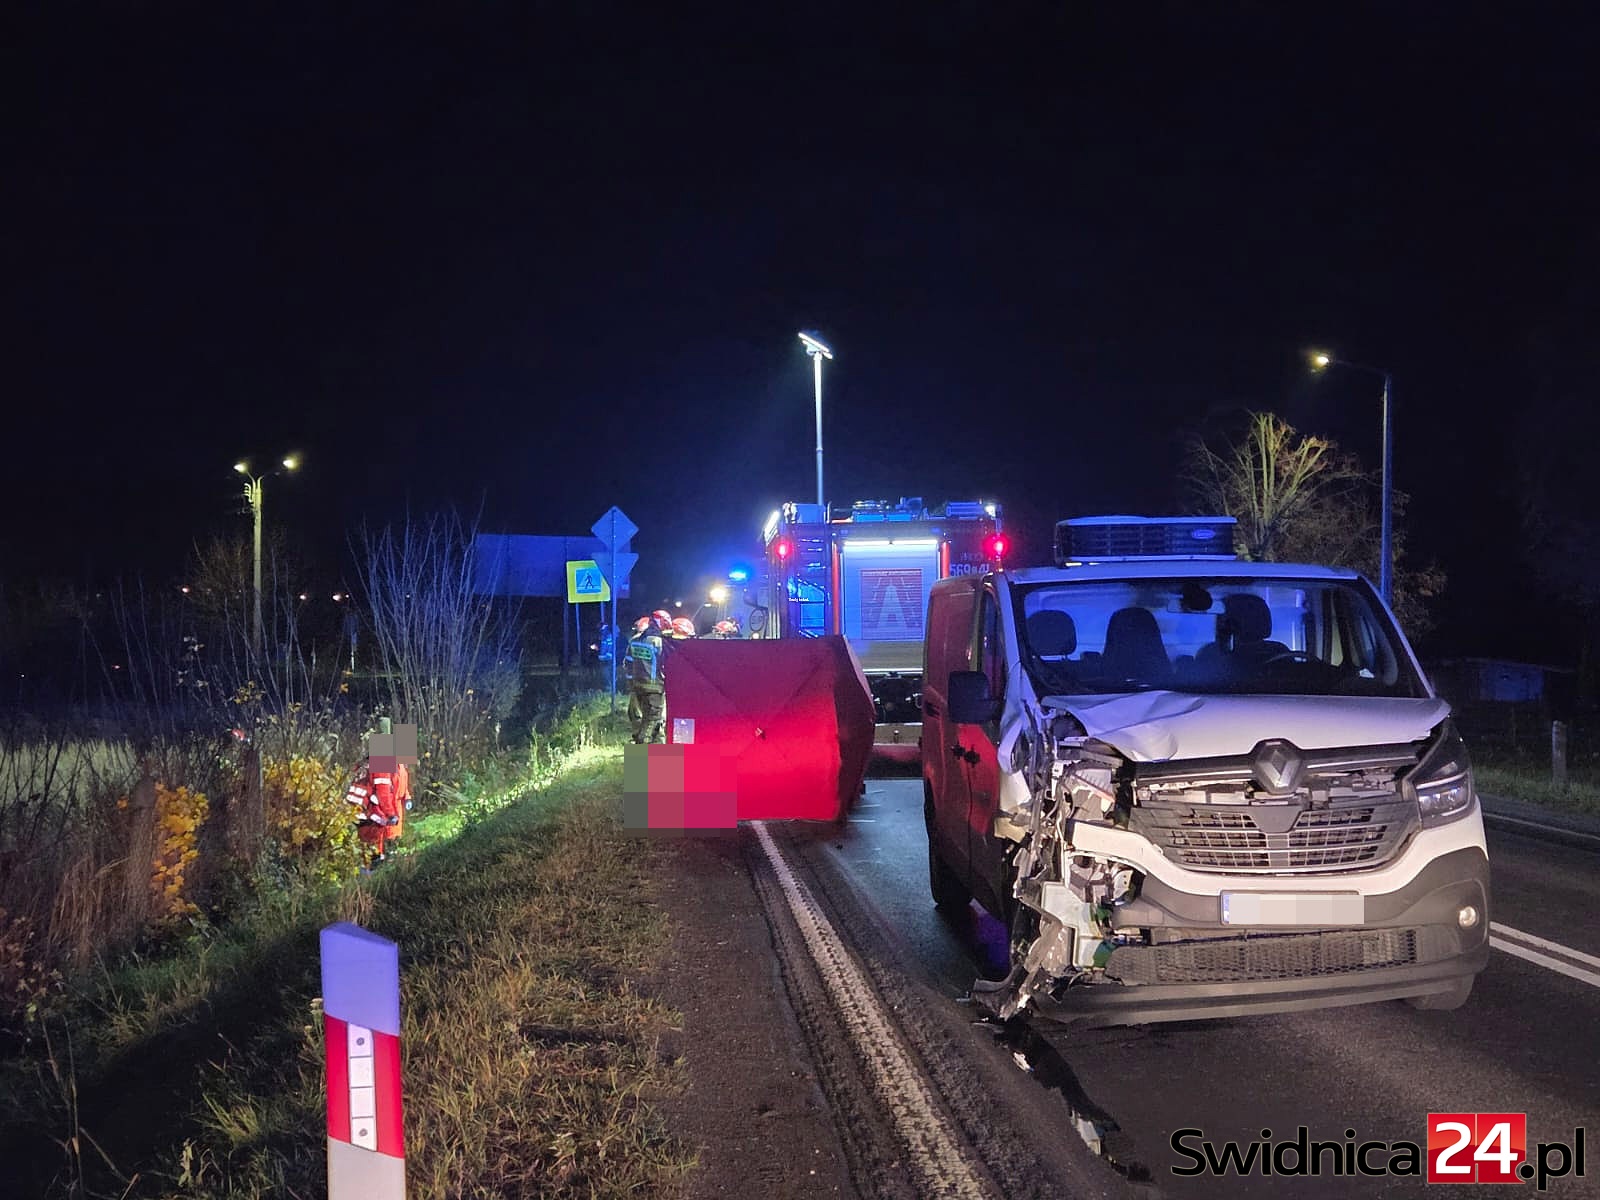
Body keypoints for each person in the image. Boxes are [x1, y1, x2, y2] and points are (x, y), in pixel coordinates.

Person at [627, 616, 668, 744]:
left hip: (638, 686)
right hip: (654, 687)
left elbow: (628, 663)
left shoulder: (634, 640)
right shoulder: (659, 642)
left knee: (647, 721)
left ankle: (657, 759)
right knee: (652, 721)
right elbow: (666, 663)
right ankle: (640, 754)